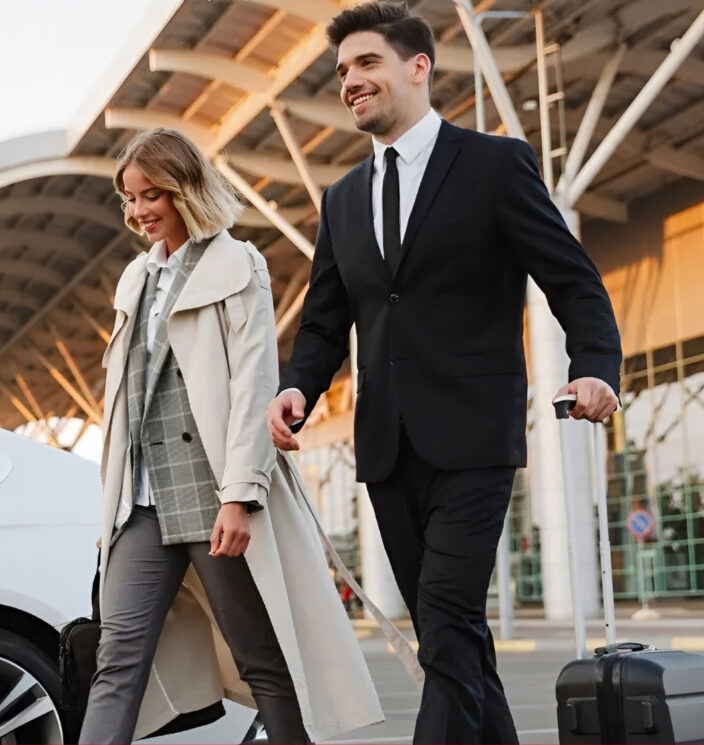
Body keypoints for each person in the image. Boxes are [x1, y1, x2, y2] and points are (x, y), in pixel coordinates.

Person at [265, 3, 622, 743]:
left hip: (473, 439)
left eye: (366, 64)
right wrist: (298, 384)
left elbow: (571, 278)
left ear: (418, 67)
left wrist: (595, 367)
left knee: (449, 619)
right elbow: (327, 321)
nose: (350, 81)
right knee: (451, 636)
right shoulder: (341, 200)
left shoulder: (493, 164)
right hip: (389, 450)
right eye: (341, 72)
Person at [82, 128, 383, 744]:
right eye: (129, 199)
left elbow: (253, 385)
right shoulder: (134, 280)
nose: (138, 212)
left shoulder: (236, 263)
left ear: (183, 189)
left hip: (211, 494)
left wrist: (241, 495)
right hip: (139, 504)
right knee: (116, 661)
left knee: (261, 659)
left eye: (150, 196)